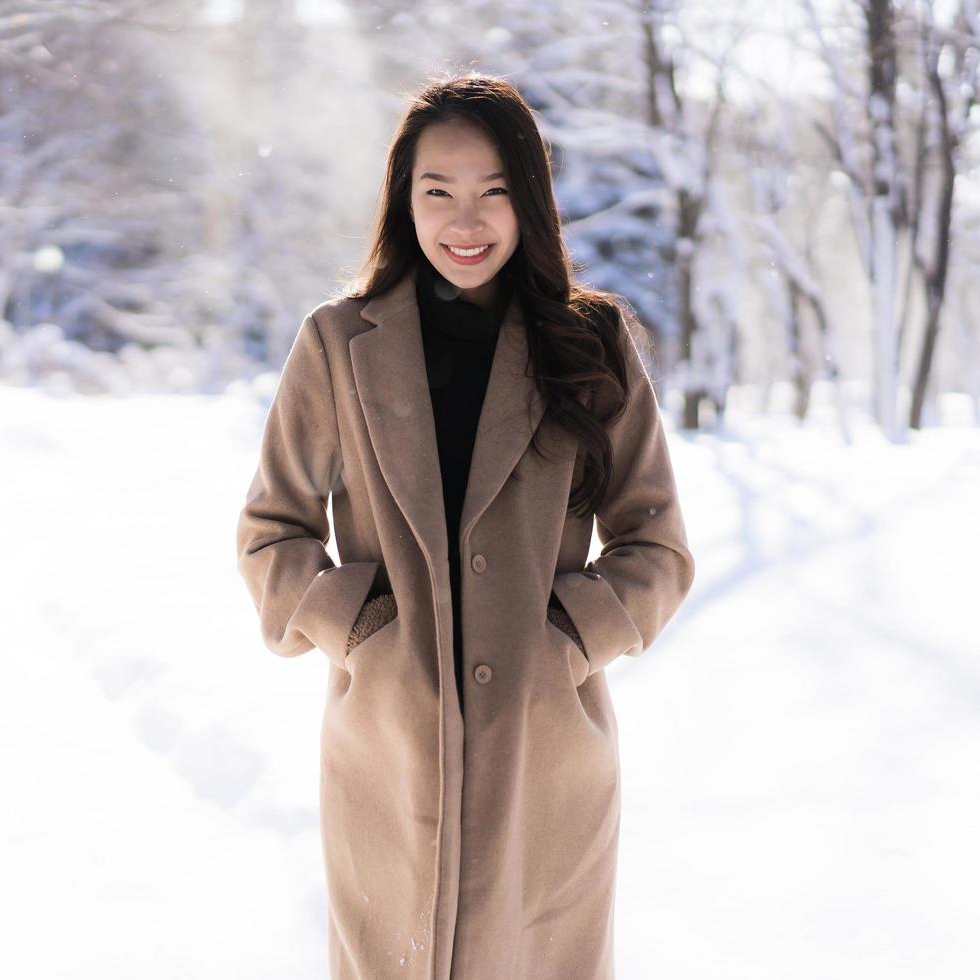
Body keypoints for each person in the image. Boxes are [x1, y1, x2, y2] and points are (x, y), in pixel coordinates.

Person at [235, 72, 696, 980]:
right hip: (384, 757)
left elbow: (656, 543)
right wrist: (364, 630)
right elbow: (271, 534)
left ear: (529, 198)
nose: (465, 220)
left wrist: (563, 641)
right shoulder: (337, 343)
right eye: (436, 191)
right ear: (403, 202)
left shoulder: (590, 343)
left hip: (549, 760)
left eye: (492, 191)